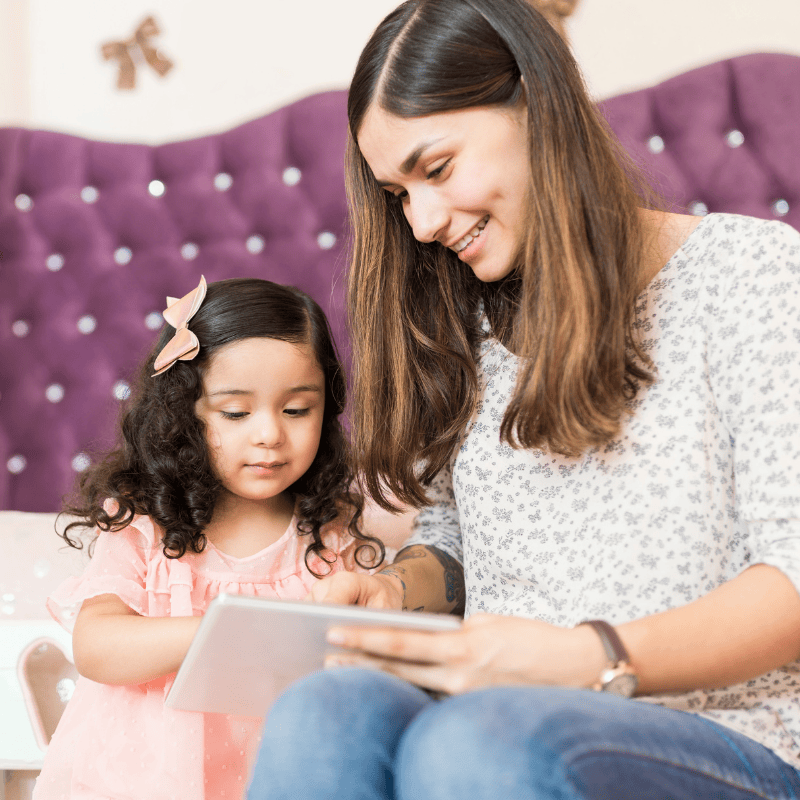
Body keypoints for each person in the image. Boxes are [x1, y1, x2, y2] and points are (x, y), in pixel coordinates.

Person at [246, 0, 800, 798]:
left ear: (537, 106)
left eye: (435, 169)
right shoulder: (463, 323)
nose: (425, 221)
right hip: (498, 714)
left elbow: (791, 575)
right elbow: (453, 545)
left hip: (731, 737)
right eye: (399, 193)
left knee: (479, 742)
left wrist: (582, 657)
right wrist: (397, 590)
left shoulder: (749, 274)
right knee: (326, 710)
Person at [32, 276, 385, 800]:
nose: (268, 434)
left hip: (279, 773)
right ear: (184, 416)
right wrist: (222, 632)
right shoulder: (146, 523)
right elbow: (96, 646)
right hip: (146, 781)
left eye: (296, 410)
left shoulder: (327, 532)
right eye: (236, 412)